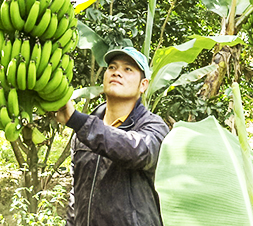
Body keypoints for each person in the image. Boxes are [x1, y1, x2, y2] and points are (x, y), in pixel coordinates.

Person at [55, 46, 169, 226]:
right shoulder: (84, 132)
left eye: (128, 69)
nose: (117, 73)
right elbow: (76, 194)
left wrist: (78, 121)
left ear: (143, 85)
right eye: (112, 67)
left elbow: (137, 152)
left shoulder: (154, 127)